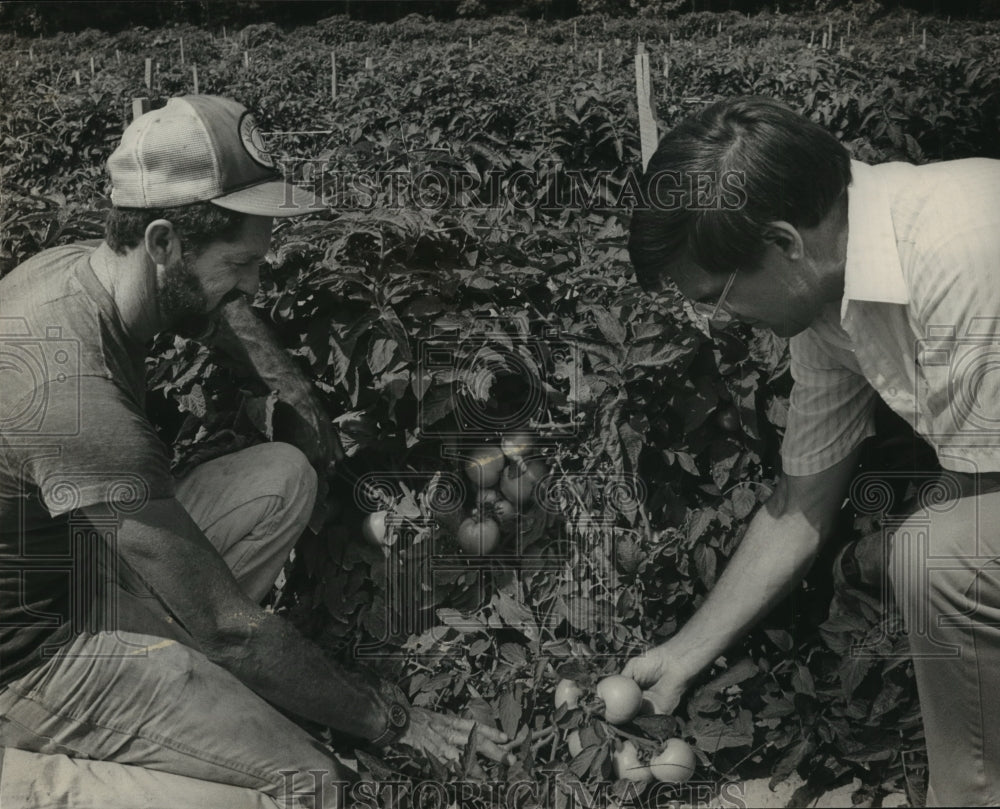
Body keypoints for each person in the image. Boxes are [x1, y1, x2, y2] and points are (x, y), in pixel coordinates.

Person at [0, 95, 508, 808]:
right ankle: (33, 783)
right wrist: (392, 718)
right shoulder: (71, 390)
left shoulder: (84, 273)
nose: (255, 285)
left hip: (71, 562)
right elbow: (229, 630)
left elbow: (226, 324)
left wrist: (301, 406)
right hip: (28, 656)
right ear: (163, 243)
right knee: (308, 784)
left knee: (282, 476)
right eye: (240, 263)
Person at [623, 96, 1000, 806]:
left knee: (939, 554)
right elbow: (801, 501)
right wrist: (679, 656)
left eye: (716, 295)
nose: (717, 319)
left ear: (784, 243)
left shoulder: (958, 248)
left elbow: (979, 517)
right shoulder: (828, 308)